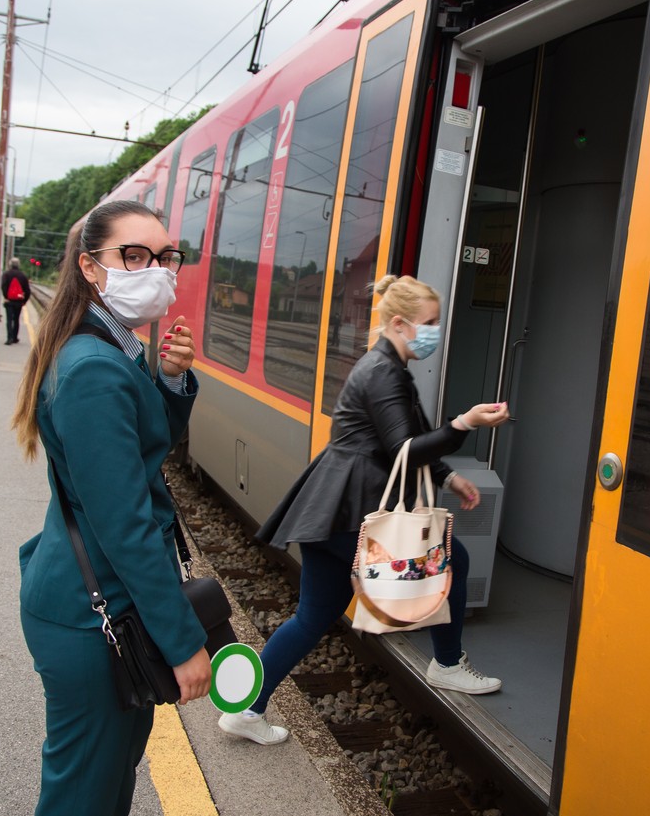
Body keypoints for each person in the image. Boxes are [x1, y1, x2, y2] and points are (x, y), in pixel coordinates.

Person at [218, 274, 510, 746]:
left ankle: (247, 710)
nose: (435, 331)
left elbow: (405, 437)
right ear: (399, 323)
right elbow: (403, 448)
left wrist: (447, 477)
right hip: (352, 508)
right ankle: (448, 663)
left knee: (313, 616)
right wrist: (464, 423)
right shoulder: (383, 372)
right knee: (455, 557)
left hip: (332, 505)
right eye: (429, 323)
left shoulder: (386, 368)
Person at [11, 199, 209, 816]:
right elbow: (124, 523)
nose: (156, 268)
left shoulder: (111, 346)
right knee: (83, 802)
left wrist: (171, 380)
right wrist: (183, 644)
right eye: (134, 255)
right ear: (92, 267)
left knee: (104, 784)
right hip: (91, 616)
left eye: (165, 256)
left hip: (103, 607)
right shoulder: (95, 367)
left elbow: (142, 453)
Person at [1, 257, 31, 345]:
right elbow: (27, 290)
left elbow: (3, 286)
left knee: (9, 319)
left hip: (9, 301)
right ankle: (15, 337)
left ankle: (9, 338)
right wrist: (24, 300)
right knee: (16, 319)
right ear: (19, 265)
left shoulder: (6, 274)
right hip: (18, 301)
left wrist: (5, 296)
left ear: (10, 265)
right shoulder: (23, 275)